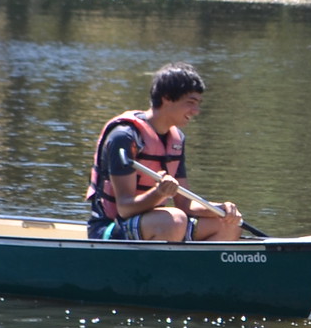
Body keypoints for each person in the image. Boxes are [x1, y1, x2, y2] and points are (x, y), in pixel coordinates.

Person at [84, 63, 244, 242]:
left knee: (229, 225)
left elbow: (185, 204)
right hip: (110, 228)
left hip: (156, 223)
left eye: (198, 104)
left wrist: (221, 209)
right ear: (167, 98)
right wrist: (159, 193)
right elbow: (125, 209)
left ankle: (192, 261)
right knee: (174, 220)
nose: (196, 111)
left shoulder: (176, 140)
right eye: (190, 103)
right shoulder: (125, 137)